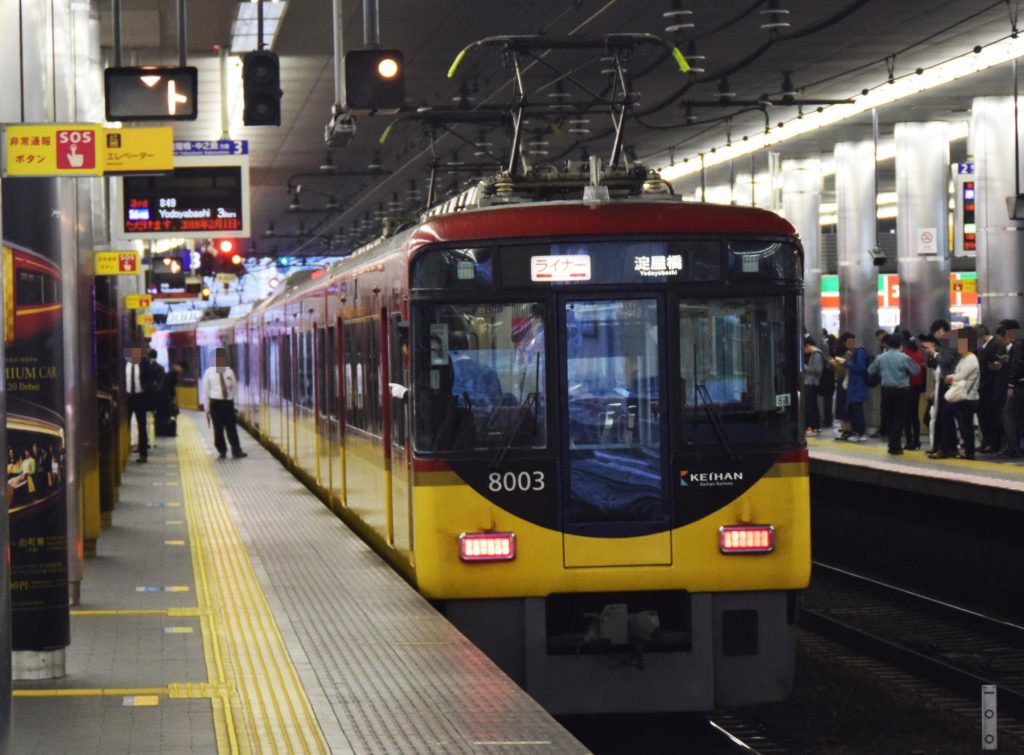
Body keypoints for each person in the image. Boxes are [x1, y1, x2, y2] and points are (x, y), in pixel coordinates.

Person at [931, 327, 980, 460]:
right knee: (951, 419)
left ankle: (968, 453)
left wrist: (951, 377)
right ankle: (948, 449)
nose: (957, 346)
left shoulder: (971, 359)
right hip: (960, 396)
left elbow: (961, 375)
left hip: (967, 397)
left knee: (966, 426)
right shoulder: (964, 358)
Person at [867, 333, 920, 455]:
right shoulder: (904, 357)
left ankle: (892, 444)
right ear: (901, 344)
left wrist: (883, 372)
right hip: (901, 391)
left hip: (886, 391)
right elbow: (916, 370)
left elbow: (870, 370)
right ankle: (895, 446)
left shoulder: (881, 357)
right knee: (899, 417)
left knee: (889, 417)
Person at [201, 348, 247, 459]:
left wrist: (235, 405)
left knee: (232, 428)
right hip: (216, 404)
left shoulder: (229, 372)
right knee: (218, 428)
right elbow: (206, 391)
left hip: (228, 404)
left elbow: (234, 389)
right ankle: (222, 450)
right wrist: (207, 409)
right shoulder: (208, 373)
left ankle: (236, 450)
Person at [838, 332, 869, 442]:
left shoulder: (860, 352)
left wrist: (846, 363)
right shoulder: (856, 352)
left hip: (857, 386)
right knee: (852, 410)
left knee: (857, 411)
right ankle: (857, 432)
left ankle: (860, 433)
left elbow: (860, 368)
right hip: (854, 386)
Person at [124, 345, 153, 463]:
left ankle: (143, 454)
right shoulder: (124, 364)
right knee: (124, 424)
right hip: (127, 398)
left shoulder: (144, 363)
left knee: (142, 425)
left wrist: (145, 389)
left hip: (140, 397)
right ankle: (125, 449)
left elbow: (151, 377)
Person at [900, 332, 925, 450]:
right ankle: (916, 440)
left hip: (907, 386)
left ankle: (909, 440)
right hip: (916, 387)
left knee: (906, 415)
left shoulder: (904, 352)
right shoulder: (917, 352)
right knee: (914, 415)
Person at [1003, 319, 1024, 457]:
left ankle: (1012, 446)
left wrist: (1010, 384)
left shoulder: (1018, 343)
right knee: (1021, 416)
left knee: (1008, 415)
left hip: (1018, 384)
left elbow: (1017, 365)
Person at [155, 361, 185, 437]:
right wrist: (172, 398)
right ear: (178, 366)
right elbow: (169, 388)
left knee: (164, 415)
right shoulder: (172, 374)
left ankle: (162, 431)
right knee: (166, 415)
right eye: (182, 369)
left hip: (162, 398)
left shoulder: (171, 373)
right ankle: (165, 431)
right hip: (164, 398)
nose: (182, 371)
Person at [802, 336, 824, 436]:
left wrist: (805, 367)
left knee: (810, 406)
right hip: (811, 383)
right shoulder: (816, 354)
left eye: (804, 348)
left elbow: (818, 369)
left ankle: (812, 427)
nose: (804, 351)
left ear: (808, 346)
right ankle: (816, 426)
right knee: (812, 406)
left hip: (811, 383)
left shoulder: (816, 354)